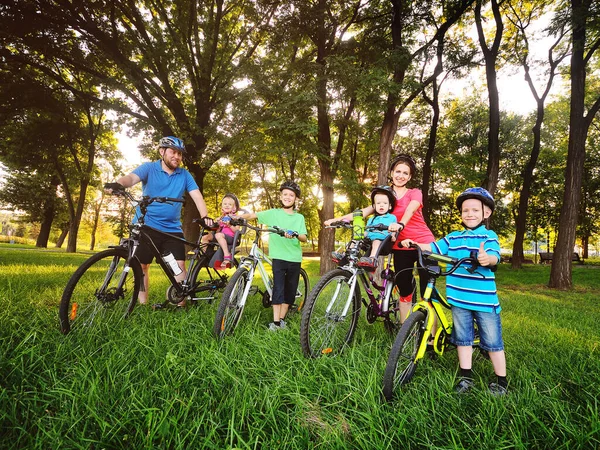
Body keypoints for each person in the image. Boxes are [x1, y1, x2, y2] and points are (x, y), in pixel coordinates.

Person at [401, 187, 507, 396]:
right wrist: (416, 244)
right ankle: (465, 376)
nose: (470, 214)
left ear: (486, 213)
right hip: (459, 301)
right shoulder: (453, 237)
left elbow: (494, 256)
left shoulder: (488, 236)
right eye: (466, 210)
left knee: (493, 342)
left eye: (475, 210)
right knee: (463, 339)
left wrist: (488, 259)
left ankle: (501, 381)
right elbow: (434, 247)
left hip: (484, 303)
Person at [325, 154, 435, 322]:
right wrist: (338, 219)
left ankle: (430, 337)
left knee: (427, 292)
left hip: (423, 242)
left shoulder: (414, 193)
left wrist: (401, 224)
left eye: (405, 173)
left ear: (410, 176)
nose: (401, 175)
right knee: (404, 290)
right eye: (398, 171)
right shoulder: (385, 195)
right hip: (400, 246)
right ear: (391, 172)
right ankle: (404, 333)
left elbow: (411, 209)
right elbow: (363, 212)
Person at [106, 136, 212, 305]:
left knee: (178, 266)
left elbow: (197, 197)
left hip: (171, 229)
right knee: (141, 266)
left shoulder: (184, 175)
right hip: (147, 226)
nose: (177, 157)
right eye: (173, 152)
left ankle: (179, 304)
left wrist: (205, 217)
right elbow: (131, 178)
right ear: (162, 152)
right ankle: (142, 304)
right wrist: (118, 184)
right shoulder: (149, 168)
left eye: (180, 154)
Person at [239, 181, 308, 331]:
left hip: (294, 258)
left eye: (291, 195)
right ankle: (276, 322)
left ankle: (282, 319)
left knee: (290, 291)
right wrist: (236, 217)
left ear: (296, 199)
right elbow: (252, 215)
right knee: (278, 288)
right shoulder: (272, 213)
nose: (288, 197)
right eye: (285, 194)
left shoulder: (299, 218)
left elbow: (304, 237)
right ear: (281, 196)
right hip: (278, 257)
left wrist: (295, 234)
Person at [354, 186, 398, 269]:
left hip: (383, 241)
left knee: (376, 241)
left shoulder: (392, 217)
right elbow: (367, 229)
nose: (381, 205)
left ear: (390, 206)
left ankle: (372, 259)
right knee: (356, 238)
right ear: (374, 206)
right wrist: (361, 235)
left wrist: (393, 235)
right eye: (378, 203)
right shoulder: (372, 218)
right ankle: (347, 256)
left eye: (385, 203)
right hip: (370, 240)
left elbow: (394, 227)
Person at [202, 193, 241, 269]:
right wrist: (218, 226)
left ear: (234, 208)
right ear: (222, 207)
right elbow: (217, 231)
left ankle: (227, 255)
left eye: (229, 204)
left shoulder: (236, 217)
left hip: (231, 238)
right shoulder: (222, 217)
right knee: (205, 236)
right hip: (221, 236)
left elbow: (237, 230)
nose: (227, 205)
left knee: (218, 235)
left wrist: (229, 225)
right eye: (225, 204)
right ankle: (206, 256)